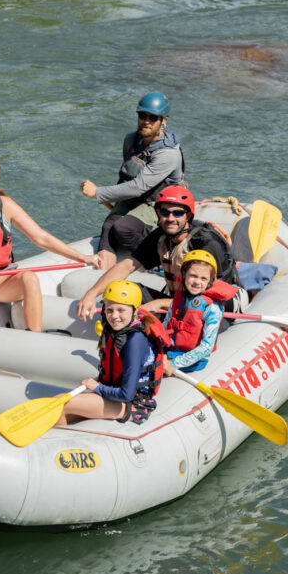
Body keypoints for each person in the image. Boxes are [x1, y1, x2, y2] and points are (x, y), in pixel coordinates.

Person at [0, 154, 102, 330]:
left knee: (29, 278)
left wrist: (83, 257)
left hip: (0, 278)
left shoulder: (6, 206)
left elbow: (41, 238)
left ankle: (34, 336)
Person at [76, 185, 236, 321]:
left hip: (212, 308)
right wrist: (92, 293)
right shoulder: (160, 236)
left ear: (188, 215)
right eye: (165, 212)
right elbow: (126, 266)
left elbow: (203, 299)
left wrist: (157, 304)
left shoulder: (206, 243)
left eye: (178, 213)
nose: (170, 218)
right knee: (121, 292)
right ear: (158, 213)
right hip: (176, 302)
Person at [80, 91, 185, 269]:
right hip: (135, 199)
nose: (146, 121)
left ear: (164, 120)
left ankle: (160, 261)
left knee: (123, 229)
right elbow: (127, 178)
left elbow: (138, 187)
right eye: (142, 115)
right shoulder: (130, 140)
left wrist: (98, 193)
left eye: (153, 117)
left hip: (160, 203)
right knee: (109, 228)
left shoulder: (168, 154)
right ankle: (103, 276)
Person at [56, 280, 169, 426]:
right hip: (115, 398)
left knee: (61, 403)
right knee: (63, 406)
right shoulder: (115, 332)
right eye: (109, 310)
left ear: (135, 310)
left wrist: (96, 387)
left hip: (135, 405)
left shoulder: (136, 340)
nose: (114, 316)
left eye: (121, 310)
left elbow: (126, 394)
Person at [162, 250, 236, 374]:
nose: (197, 282)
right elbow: (165, 326)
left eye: (203, 278)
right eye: (193, 276)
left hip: (195, 359)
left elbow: (206, 348)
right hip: (172, 349)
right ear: (184, 275)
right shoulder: (179, 298)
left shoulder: (212, 308)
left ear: (210, 281)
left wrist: (174, 364)